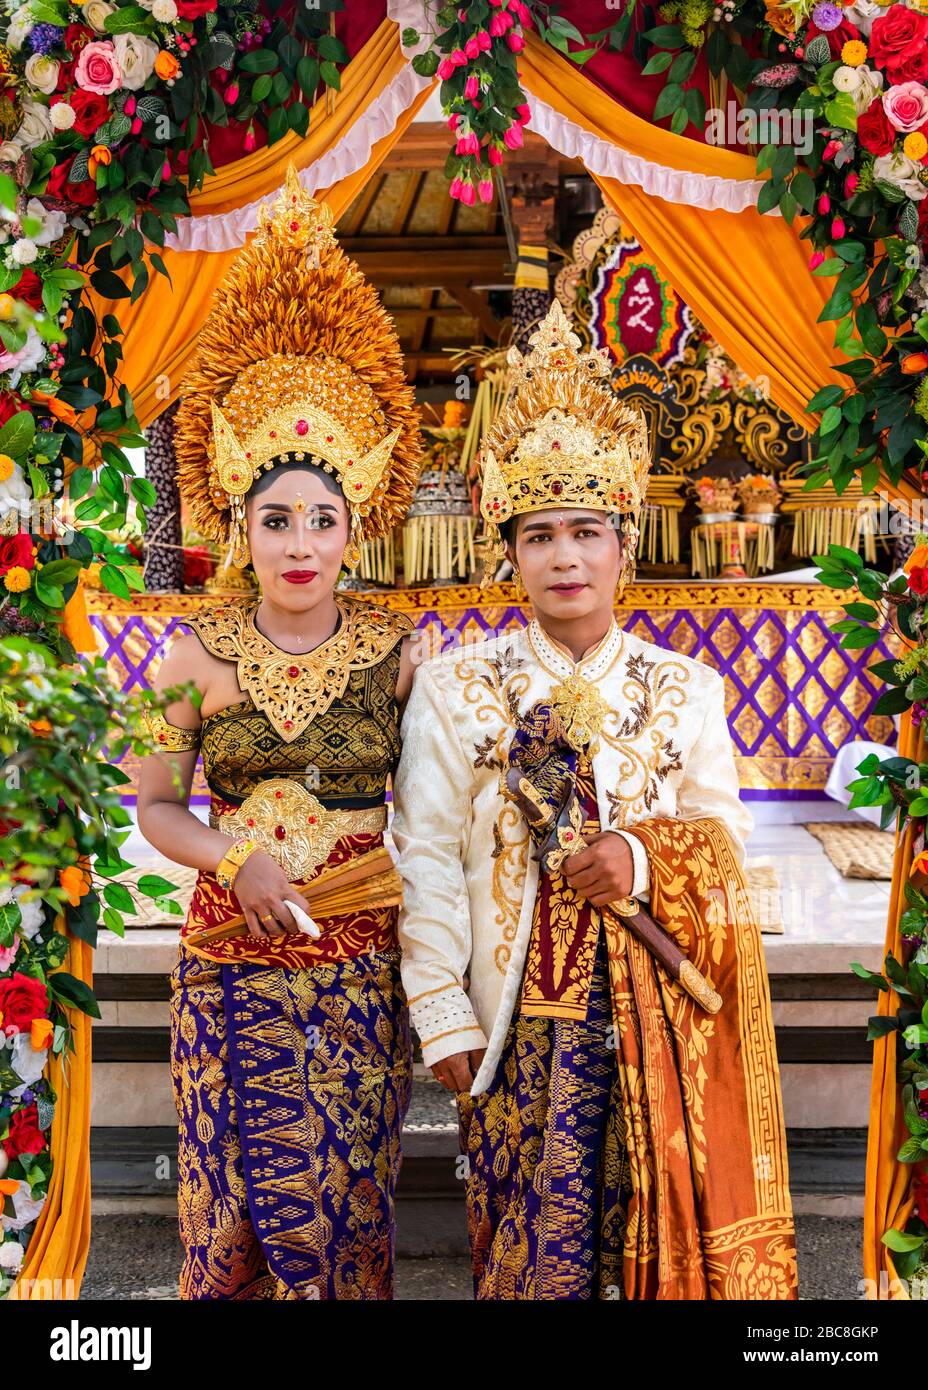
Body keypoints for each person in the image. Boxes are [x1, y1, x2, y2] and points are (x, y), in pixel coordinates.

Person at [391, 300, 799, 1300]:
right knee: (530, 1258)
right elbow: (425, 852)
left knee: (646, 1249)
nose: (564, 557)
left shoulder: (684, 688)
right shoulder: (457, 688)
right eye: (539, 536)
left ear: (624, 542)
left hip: (654, 1017)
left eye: (584, 532)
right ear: (510, 551)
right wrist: (441, 1011)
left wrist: (644, 860)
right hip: (512, 1023)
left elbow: (726, 838)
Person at [137, 168, 422, 1301]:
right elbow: (158, 804)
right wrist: (231, 856)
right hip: (225, 958)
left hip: (360, 963)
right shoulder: (193, 654)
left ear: (357, 521)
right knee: (231, 1212)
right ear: (237, 524)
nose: (299, 541)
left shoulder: (407, 655)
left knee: (347, 1206)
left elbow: (442, 814)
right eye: (274, 518)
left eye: (322, 517)